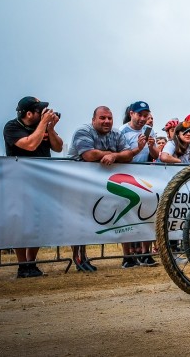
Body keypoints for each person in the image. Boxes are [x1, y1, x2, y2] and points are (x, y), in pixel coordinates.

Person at [68, 106, 148, 271]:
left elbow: (128, 155)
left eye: (109, 118)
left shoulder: (116, 134)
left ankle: (87, 257)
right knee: (79, 221)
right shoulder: (83, 131)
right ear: (93, 120)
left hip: (104, 185)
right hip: (78, 183)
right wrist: (111, 153)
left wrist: (113, 155)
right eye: (102, 118)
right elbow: (89, 155)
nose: (107, 121)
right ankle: (79, 258)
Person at [3, 96, 63, 278]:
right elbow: (30, 145)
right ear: (29, 114)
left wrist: (50, 128)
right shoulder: (12, 127)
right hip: (18, 181)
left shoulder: (44, 127)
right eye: (40, 111)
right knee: (20, 223)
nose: (44, 113)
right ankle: (22, 265)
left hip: (41, 181)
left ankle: (32, 262)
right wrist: (43, 123)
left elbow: (58, 147)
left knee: (38, 222)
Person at [117, 100, 159, 267]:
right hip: (126, 176)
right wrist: (138, 148)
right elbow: (122, 154)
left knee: (147, 214)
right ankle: (127, 256)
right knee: (126, 215)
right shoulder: (122, 131)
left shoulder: (150, 131)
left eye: (145, 116)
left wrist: (150, 146)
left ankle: (146, 253)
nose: (143, 119)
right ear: (131, 114)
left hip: (146, 176)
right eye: (140, 115)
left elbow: (156, 154)